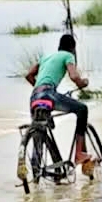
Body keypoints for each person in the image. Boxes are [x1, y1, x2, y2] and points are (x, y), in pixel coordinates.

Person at [23, 34, 93, 173]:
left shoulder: (46, 57)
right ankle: (79, 154)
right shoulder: (68, 56)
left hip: (35, 97)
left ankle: (37, 170)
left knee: (40, 129)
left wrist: (39, 90)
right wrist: (82, 83)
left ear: (59, 46)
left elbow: (29, 75)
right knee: (82, 109)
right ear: (72, 48)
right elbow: (74, 76)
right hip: (49, 94)